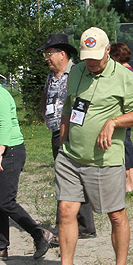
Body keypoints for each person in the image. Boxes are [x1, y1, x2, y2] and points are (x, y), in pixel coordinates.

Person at [39, 27, 133, 265]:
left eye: (96, 58)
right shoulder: (76, 72)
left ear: (108, 51)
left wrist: (113, 122)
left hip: (105, 159)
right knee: (66, 210)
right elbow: (69, 106)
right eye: (87, 57)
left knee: (115, 215)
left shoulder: (123, 76)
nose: (91, 63)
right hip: (71, 156)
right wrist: (63, 136)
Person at [0, 59, 51, 262]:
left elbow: (5, 126)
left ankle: (40, 234)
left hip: (9, 153)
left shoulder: (0, 95)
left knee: (6, 202)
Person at [37, 33, 97, 240]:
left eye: (49, 54)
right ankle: (79, 225)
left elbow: (83, 102)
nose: (46, 58)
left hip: (72, 132)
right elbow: (46, 96)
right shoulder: (51, 76)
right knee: (66, 177)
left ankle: (76, 225)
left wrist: (72, 128)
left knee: (71, 178)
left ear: (62, 54)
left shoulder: (77, 73)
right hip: (57, 132)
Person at [109, 42, 133, 192]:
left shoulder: (123, 72)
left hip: (123, 115)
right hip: (124, 115)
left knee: (124, 145)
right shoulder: (128, 69)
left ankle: (129, 183)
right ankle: (129, 181)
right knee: (126, 144)